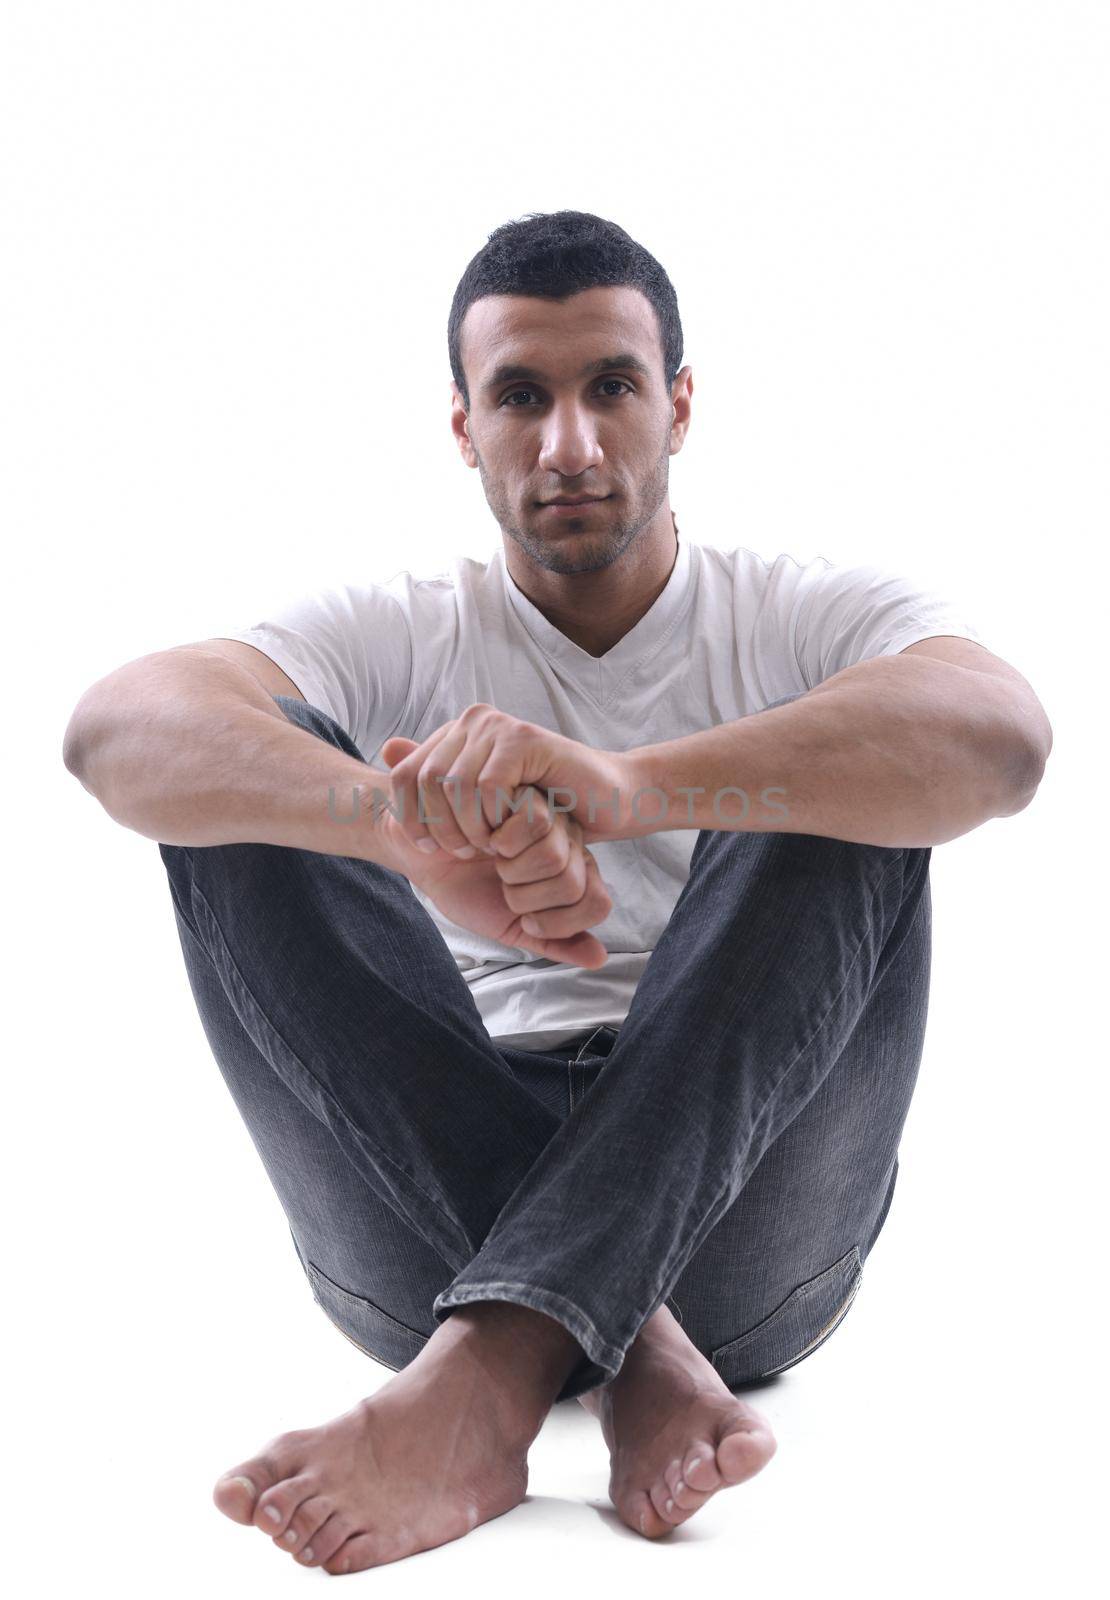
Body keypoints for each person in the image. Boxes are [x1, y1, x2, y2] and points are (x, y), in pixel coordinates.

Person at [61, 209, 1052, 1576]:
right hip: (425, 1209)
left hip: (745, 1218)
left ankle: (491, 1375)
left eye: (612, 389)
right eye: (520, 397)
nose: (571, 443)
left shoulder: (797, 613)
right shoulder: (400, 627)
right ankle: (619, 1350)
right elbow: (115, 734)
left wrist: (637, 783)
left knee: (846, 759)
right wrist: (394, 832)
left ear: (679, 406)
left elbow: (998, 740)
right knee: (240, 777)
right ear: (463, 428)